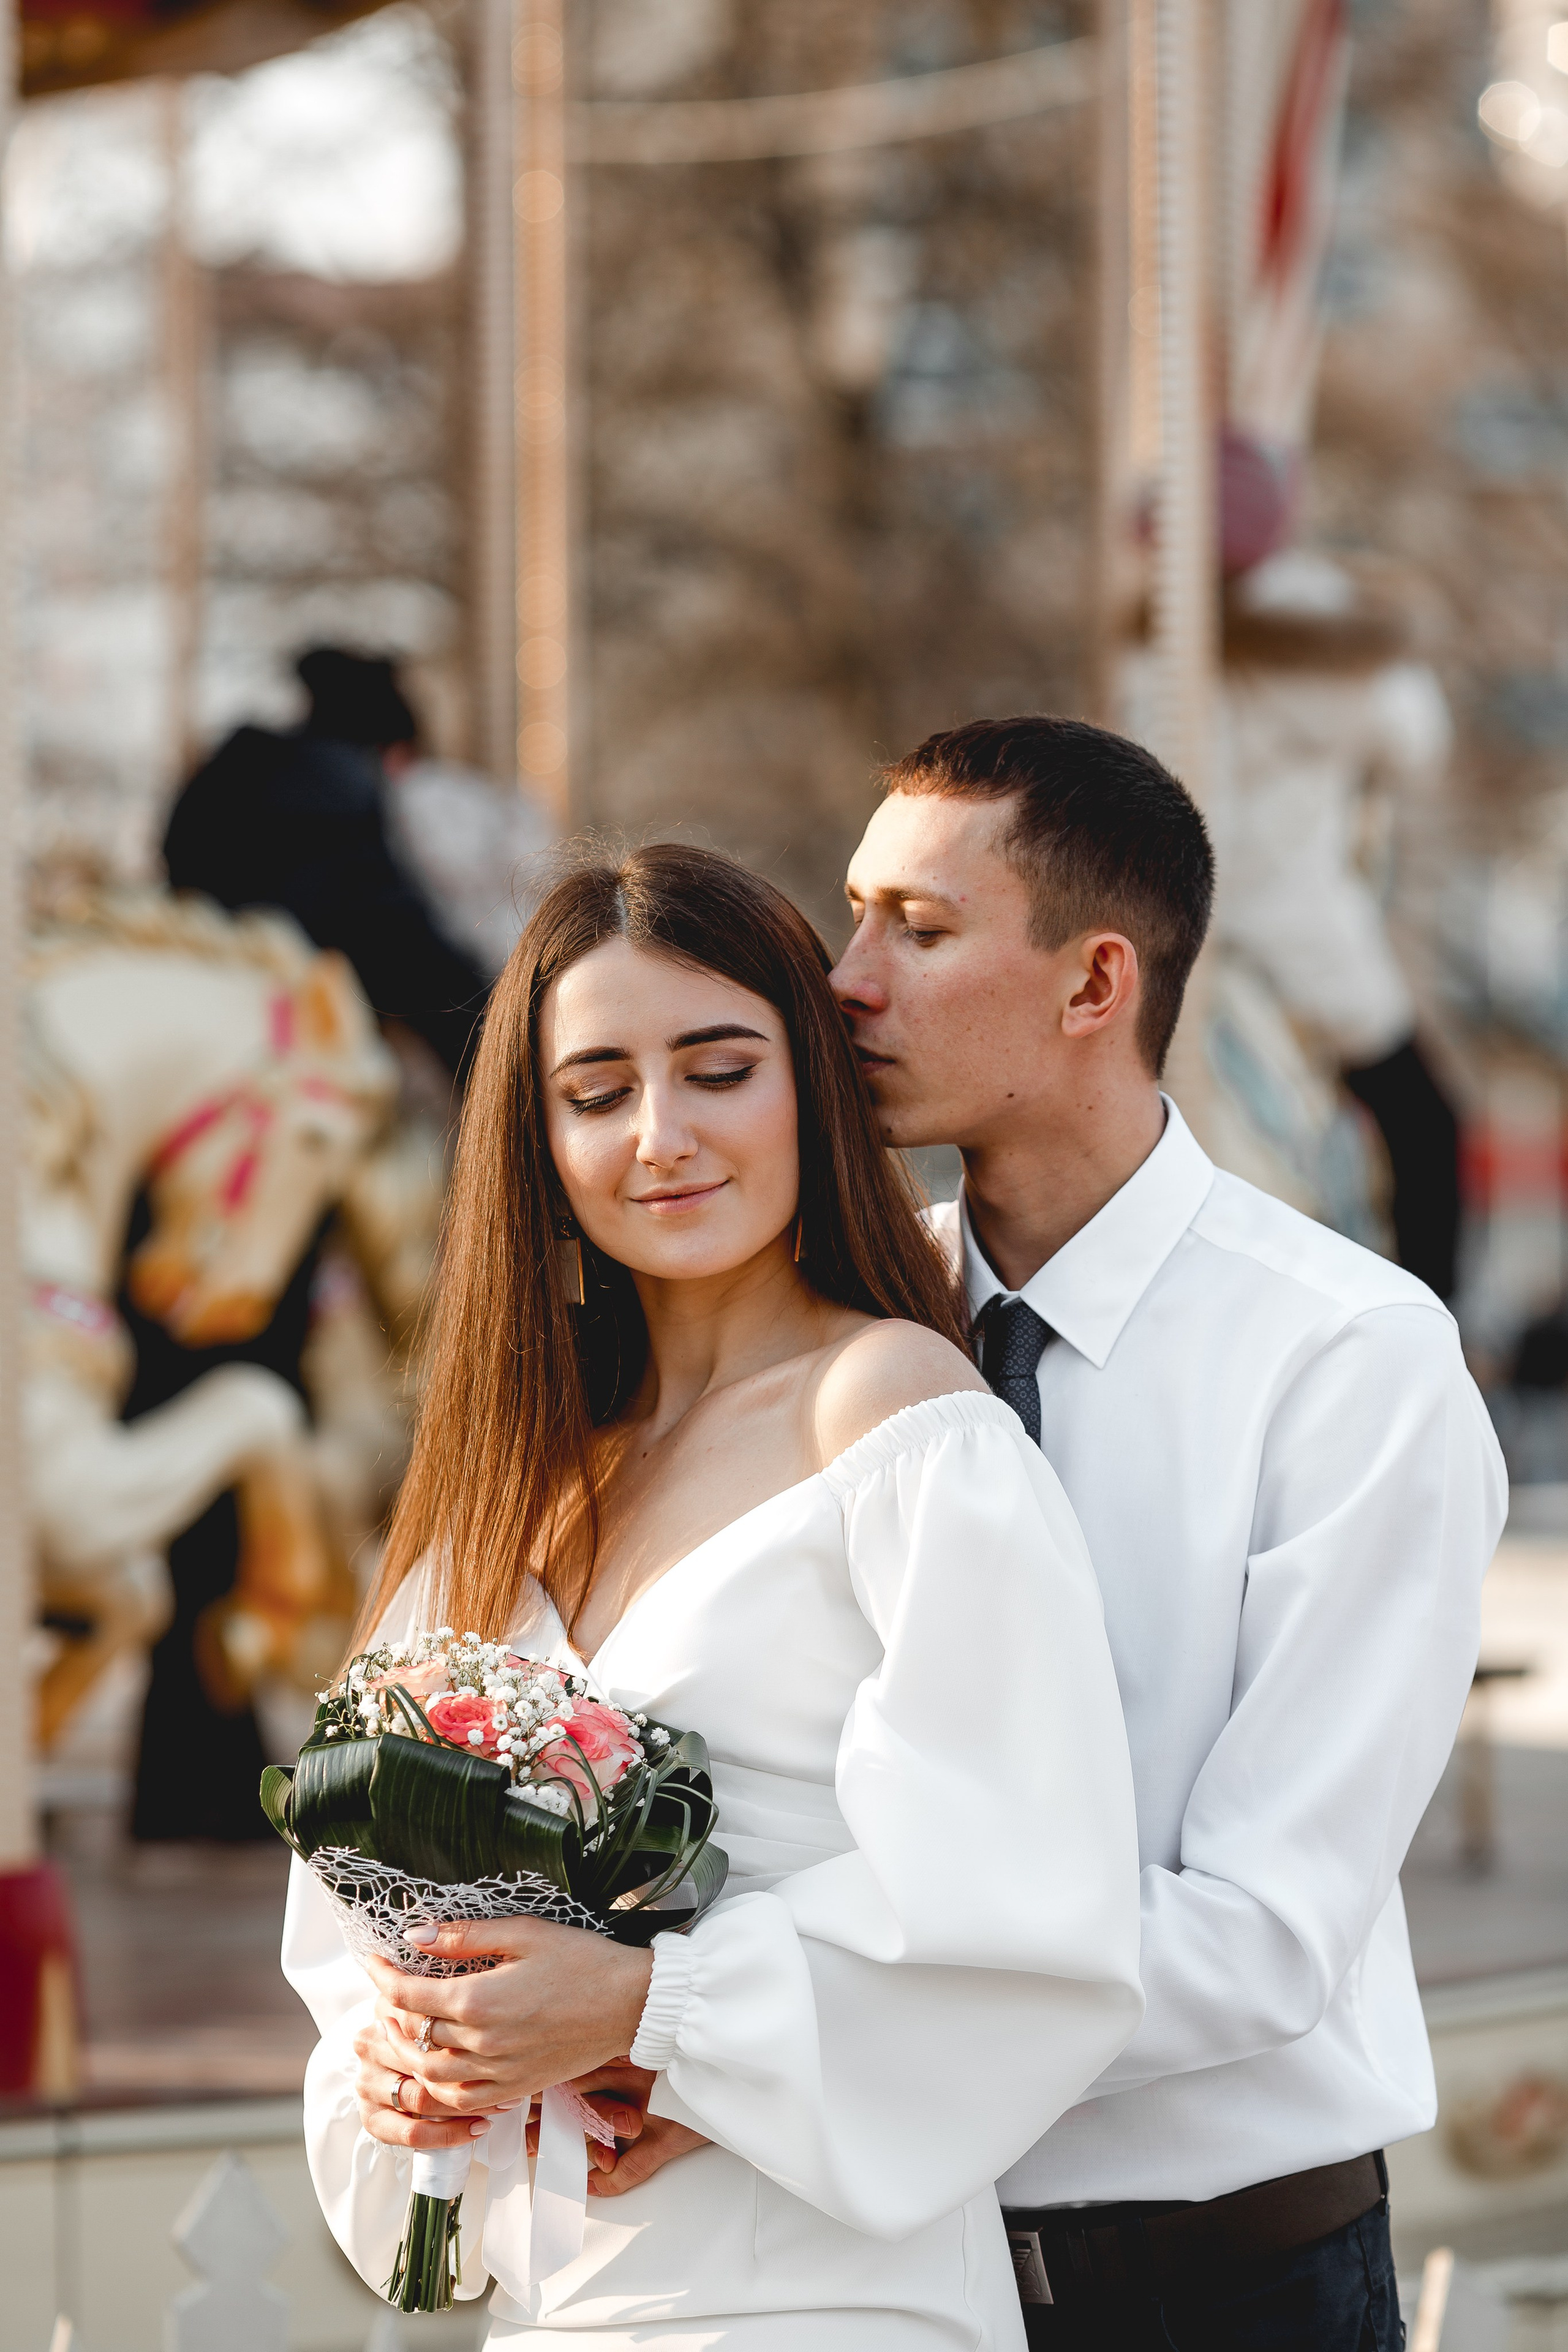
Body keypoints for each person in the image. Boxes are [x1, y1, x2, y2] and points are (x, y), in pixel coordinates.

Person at [281, 843, 1144, 2347]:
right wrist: (412, 2048)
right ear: (535, 1137)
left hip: (817, 2283)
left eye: (717, 1068)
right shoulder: (505, 1475)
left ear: (807, 1081)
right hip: (557, 2287)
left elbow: (1025, 1896)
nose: (660, 1134)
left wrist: (647, 2010)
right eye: (597, 1089)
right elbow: (347, 1910)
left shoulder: (890, 1415)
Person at [819, 715, 1505, 2349]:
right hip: (875, 2269)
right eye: (855, 914)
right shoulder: (840, 1329)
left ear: (1092, 984)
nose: (847, 977)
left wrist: (751, 2015)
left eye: (917, 929)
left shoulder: (1350, 1360)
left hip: (1223, 2289)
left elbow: (1263, 1937)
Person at [164, 646, 491, 1084]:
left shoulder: (243, 761)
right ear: (388, 748)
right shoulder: (344, 790)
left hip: (207, 966)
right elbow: (403, 940)